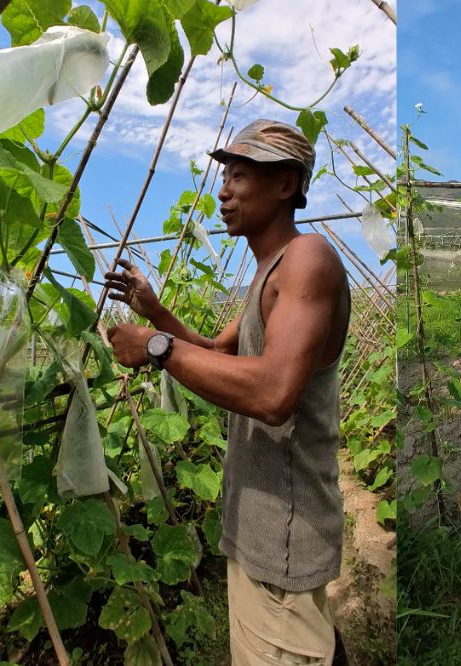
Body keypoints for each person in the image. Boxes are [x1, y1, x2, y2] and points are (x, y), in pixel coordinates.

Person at [104, 119, 351, 665]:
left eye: (239, 175)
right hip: (260, 527)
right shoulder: (269, 272)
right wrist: (158, 314)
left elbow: (273, 393)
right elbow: (222, 356)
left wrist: (157, 347)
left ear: (285, 185)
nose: (223, 190)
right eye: (225, 176)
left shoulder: (309, 259)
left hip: (284, 536)